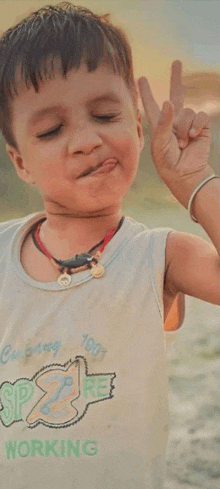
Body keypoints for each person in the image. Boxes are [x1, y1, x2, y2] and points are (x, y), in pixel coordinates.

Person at [0, 3, 219, 488]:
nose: (84, 140)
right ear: (20, 162)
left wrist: (195, 181)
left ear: (138, 130)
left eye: (104, 114)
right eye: (50, 130)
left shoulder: (158, 257)